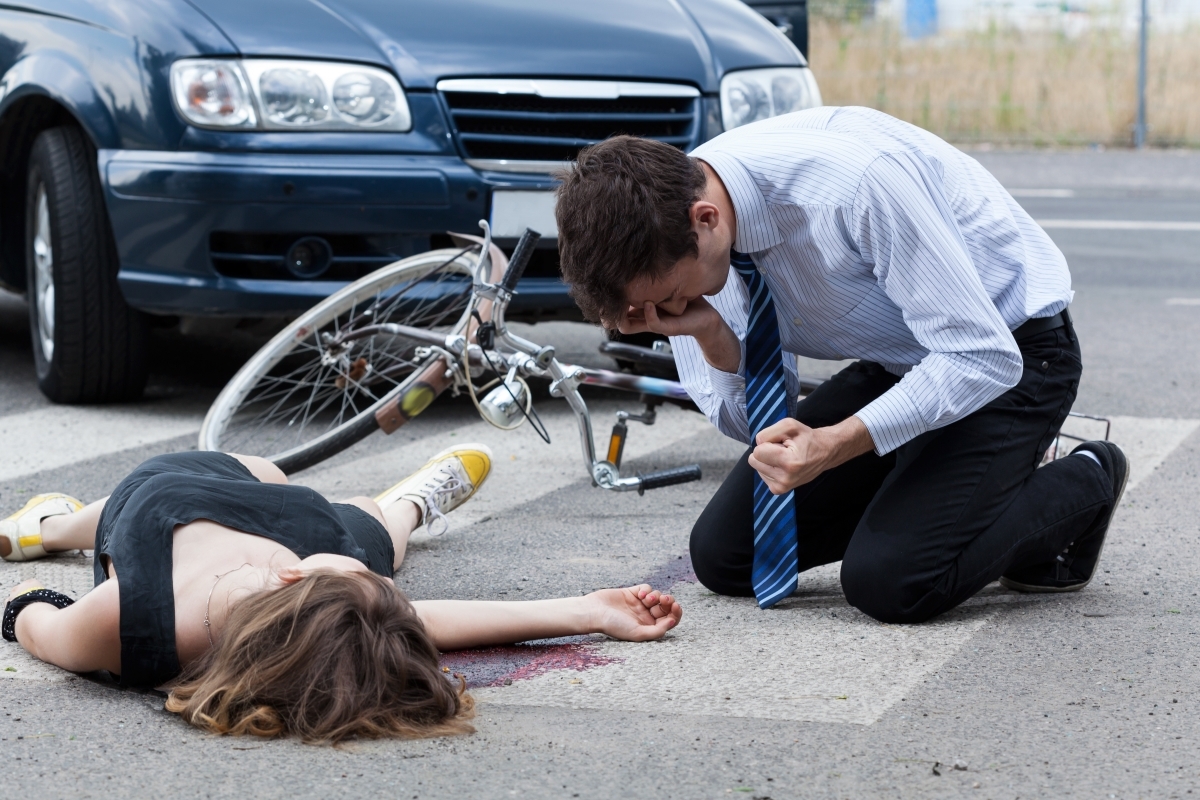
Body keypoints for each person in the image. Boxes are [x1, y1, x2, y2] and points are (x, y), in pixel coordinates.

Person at [553, 106, 1128, 622]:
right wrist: (709, 332)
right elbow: (754, 428)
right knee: (726, 557)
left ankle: (1086, 479)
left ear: (706, 220)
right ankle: (941, 489)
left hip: (1011, 358)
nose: (665, 313)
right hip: (899, 360)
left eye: (668, 297)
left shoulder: (854, 185)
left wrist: (836, 443)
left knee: (894, 581)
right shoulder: (672, 240)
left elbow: (978, 355)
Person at [0, 445, 682, 743]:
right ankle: (412, 505)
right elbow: (419, 620)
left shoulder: (129, 623)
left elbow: (37, 627)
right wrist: (587, 611)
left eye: (358, 586)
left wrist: (27, 600)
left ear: (296, 579)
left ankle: (48, 526)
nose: (381, 593)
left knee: (161, 492)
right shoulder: (334, 589)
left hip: (163, 499)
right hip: (295, 519)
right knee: (373, 532)